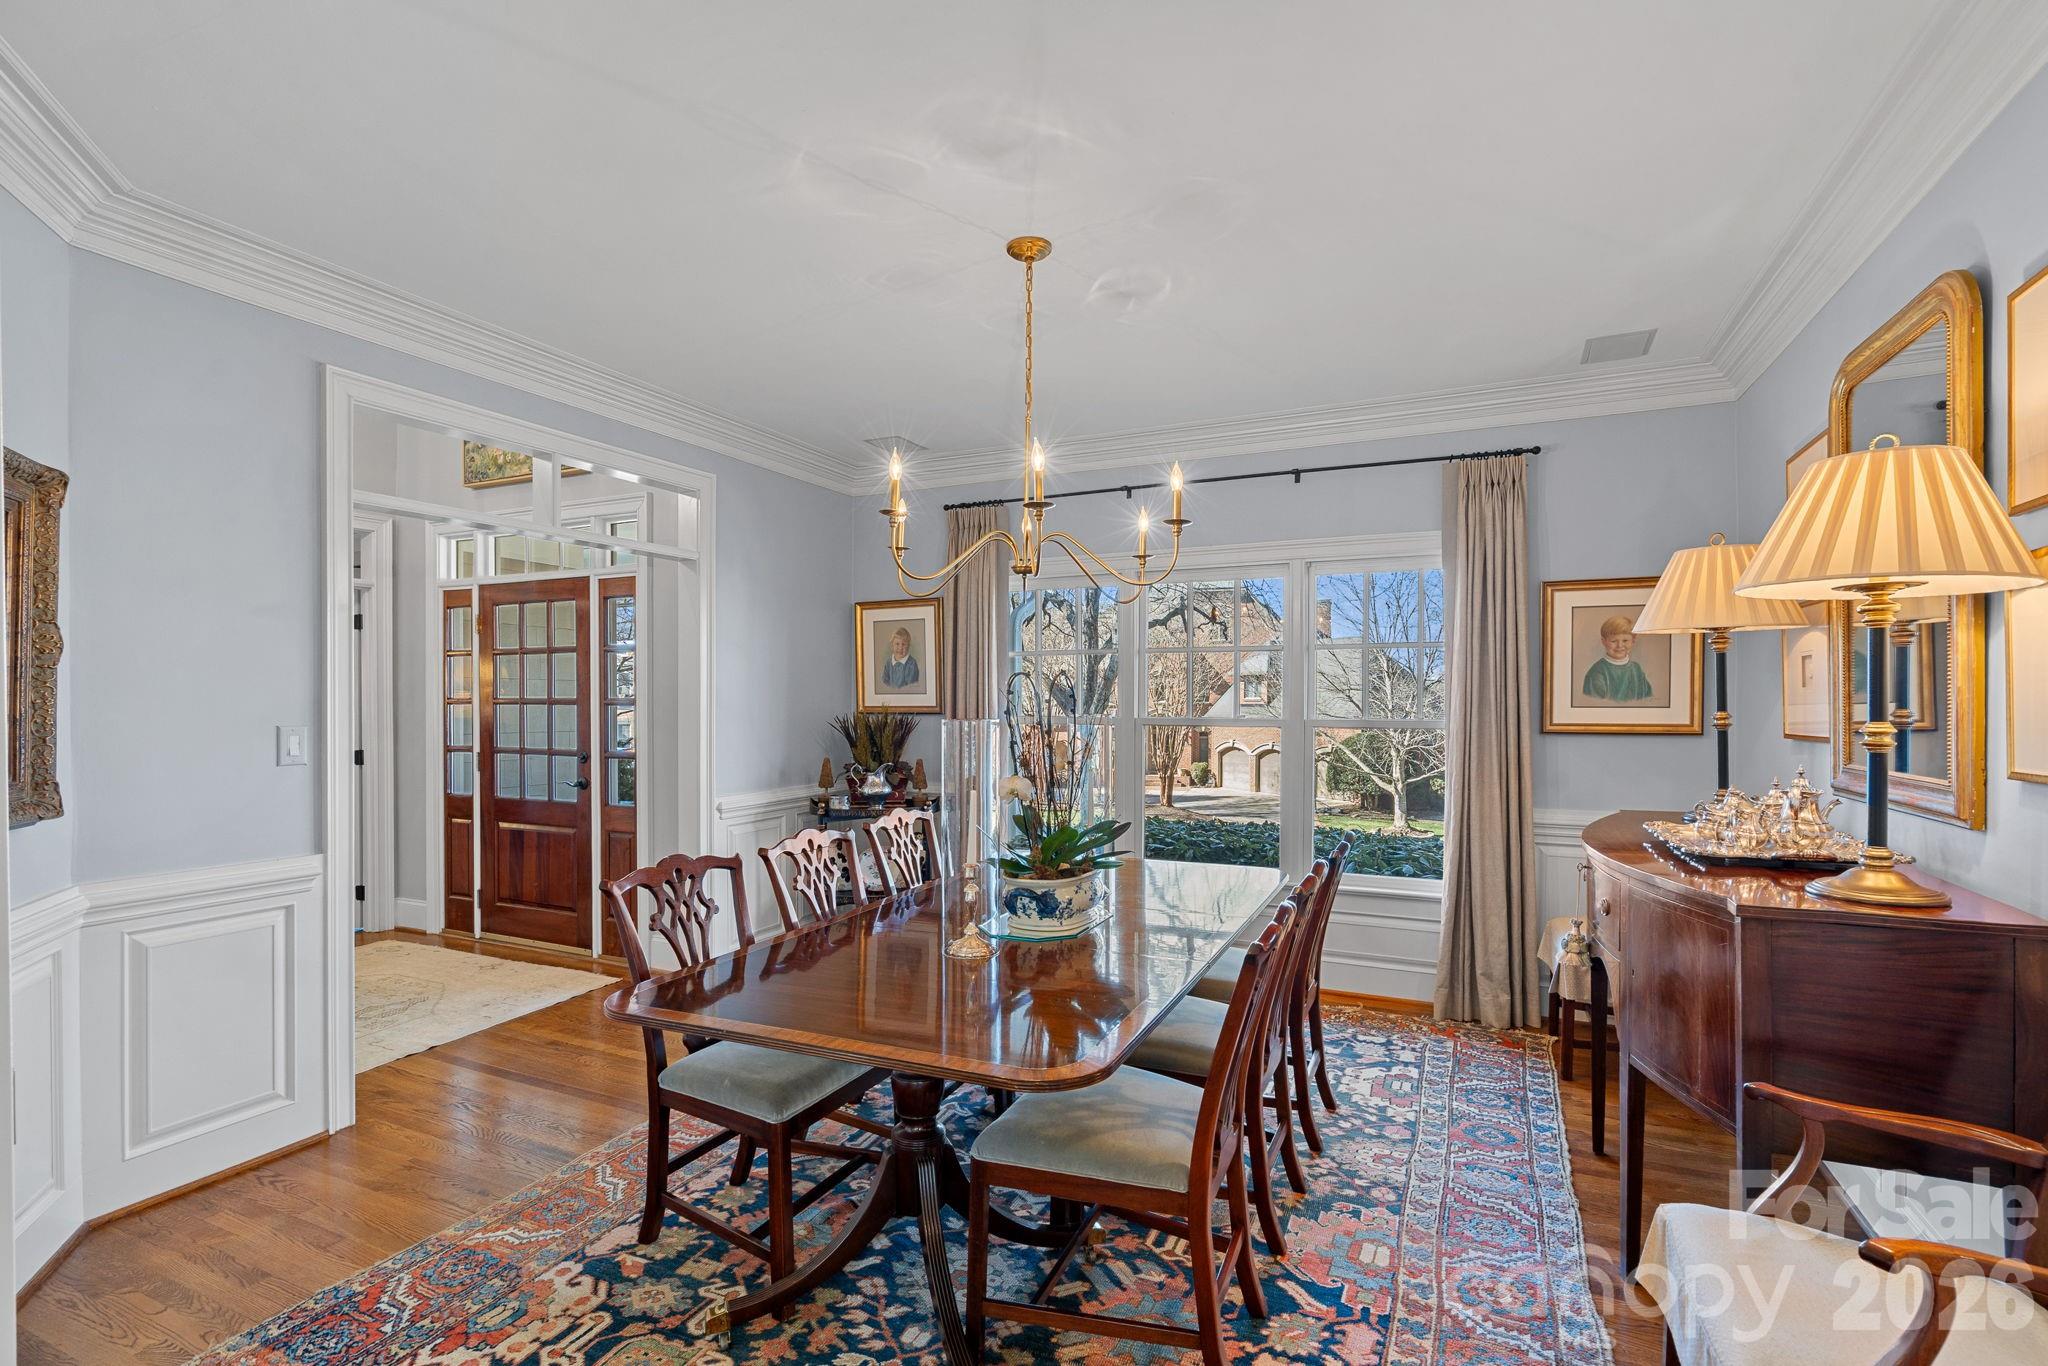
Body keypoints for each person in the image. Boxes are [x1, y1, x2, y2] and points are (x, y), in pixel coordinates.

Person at [1581, 614, 1653, 701]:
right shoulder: (1597, 672)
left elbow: (1647, 698)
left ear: (1633, 641)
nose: (1620, 646)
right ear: (1604, 642)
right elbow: (1593, 703)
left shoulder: (1636, 669)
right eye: (1614, 641)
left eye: (1625, 640)